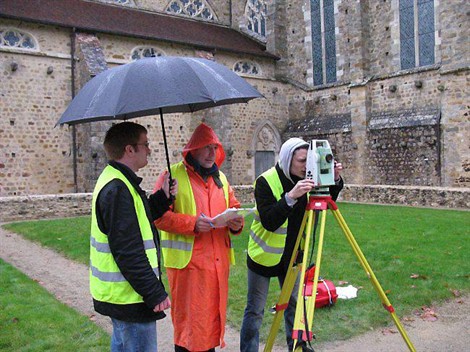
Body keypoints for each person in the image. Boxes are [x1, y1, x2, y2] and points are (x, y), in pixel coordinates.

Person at [240, 137, 344, 351]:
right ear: (288, 160)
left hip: (294, 254)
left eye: (309, 161)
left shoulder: (308, 177)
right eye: (301, 161)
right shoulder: (265, 181)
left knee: (296, 306)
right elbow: (269, 221)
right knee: (255, 310)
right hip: (263, 255)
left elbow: (324, 200)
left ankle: (297, 345)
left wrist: (334, 179)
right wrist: (291, 197)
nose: (306, 166)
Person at [153, 123, 244, 352]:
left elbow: (234, 206)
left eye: (214, 147)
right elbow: (159, 218)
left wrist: (236, 222)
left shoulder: (221, 178)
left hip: (217, 267)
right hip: (189, 270)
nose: (211, 153)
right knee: (190, 333)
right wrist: (192, 224)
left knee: (211, 326)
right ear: (192, 150)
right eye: (205, 147)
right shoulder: (171, 176)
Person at [90, 122, 176, 352]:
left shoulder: (119, 181)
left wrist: (161, 198)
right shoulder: (118, 188)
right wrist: (154, 292)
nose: (149, 150)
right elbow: (127, 250)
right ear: (129, 149)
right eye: (145, 144)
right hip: (129, 296)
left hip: (124, 294)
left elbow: (137, 221)